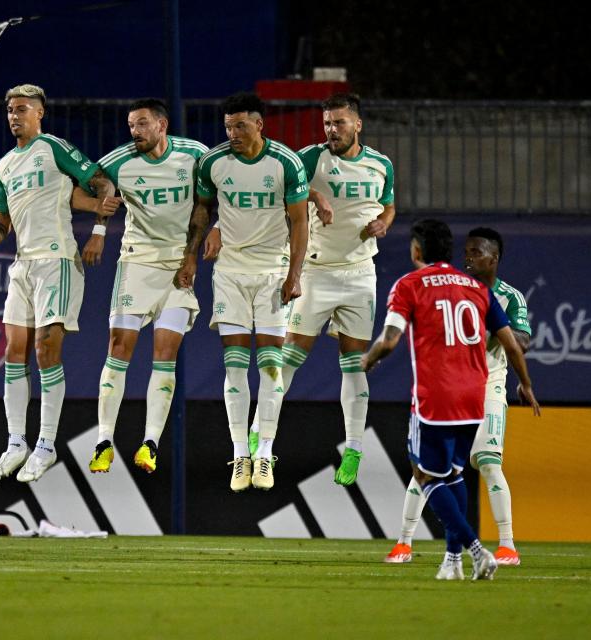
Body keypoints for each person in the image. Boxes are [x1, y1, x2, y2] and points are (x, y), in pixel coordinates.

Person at [221, 93, 394, 486]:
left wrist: (385, 221)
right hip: (314, 271)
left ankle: (352, 449)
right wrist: (315, 196)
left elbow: (389, 204)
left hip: (360, 274)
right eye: (328, 123)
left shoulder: (381, 164)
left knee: (355, 363)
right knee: (287, 359)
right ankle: (262, 439)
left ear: (358, 125)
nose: (332, 130)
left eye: (340, 123)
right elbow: (278, 187)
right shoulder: (310, 158)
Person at [362, 219, 540, 581]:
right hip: (472, 390)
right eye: (466, 250)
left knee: (431, 470)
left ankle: (489, 547)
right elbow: (509, 342)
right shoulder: (472, 289)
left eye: (477, 252)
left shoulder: (437, 287)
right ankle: (444, 556)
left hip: (456, 390)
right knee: (452, 473)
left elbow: (516, 341)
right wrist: (527, 383)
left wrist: (365, 361)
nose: (470, 257)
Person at [0, 84, 117, 483]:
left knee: (45, 348)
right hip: (23, 265)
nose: (15, 116)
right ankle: (17, 443)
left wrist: (101, 222)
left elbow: (99, 181)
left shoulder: (53, 147)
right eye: (11, 110)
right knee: (14, 351)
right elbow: (2, 224)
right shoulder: (3, 167)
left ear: (39, 113)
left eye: (23, 109)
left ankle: (46, 445)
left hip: (58, 261)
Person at [176, 92, 310, 492]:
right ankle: (239, 455)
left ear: (259, 125)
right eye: (228, 126)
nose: (233, 133)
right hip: (231, 272)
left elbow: (300, 221)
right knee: (235, 365)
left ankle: (265, 453)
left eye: (240, 126)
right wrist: (191, 256)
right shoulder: (214, 163)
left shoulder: (285, 162)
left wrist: (295, 272)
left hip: (272, 271)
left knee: (270, 365)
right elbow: (202, 211)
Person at [71, 98, 207, 475]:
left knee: (165, 353)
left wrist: (199, 249)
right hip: (136, 263)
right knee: (119, 348)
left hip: (178, 267)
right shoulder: (120, 160)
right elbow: (85, 190)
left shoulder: (194, 155)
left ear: (162, 125)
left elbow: (212, 198)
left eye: (142, 124)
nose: (135, 131)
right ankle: (103, 442)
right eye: (132, 125)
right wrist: (99, 226)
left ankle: (150, 444)